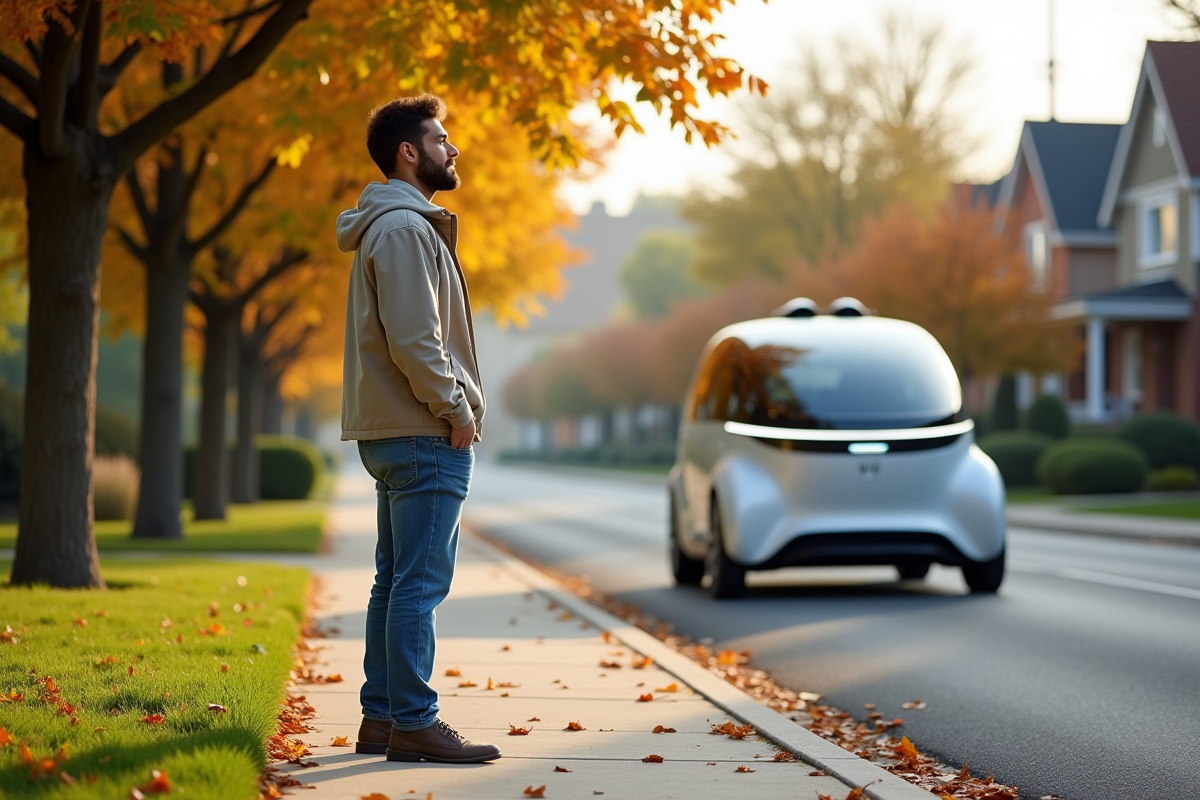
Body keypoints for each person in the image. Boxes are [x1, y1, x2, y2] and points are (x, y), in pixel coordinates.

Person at [336, 94, 498, 764]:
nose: (451, 147)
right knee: (419, 584)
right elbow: (415, 340)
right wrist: (456, 409)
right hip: (423, 430)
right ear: (410, 151)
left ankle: (383, 718)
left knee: (395, 579)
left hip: (397, 430)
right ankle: (414, 721)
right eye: (440, 137)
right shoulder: (404, 230)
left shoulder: (399, 225)